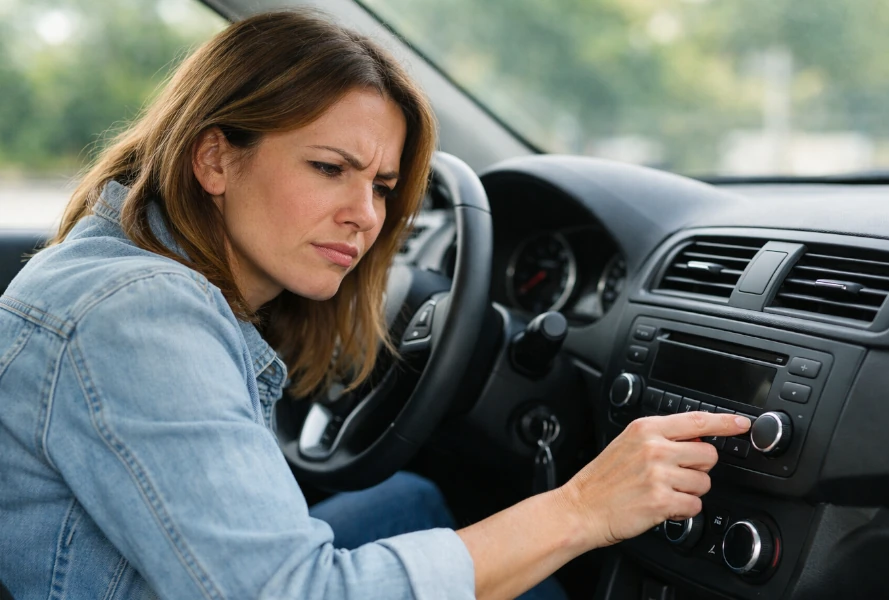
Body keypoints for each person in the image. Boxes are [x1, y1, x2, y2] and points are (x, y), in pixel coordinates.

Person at [0, 10, 750, 600]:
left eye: (385, 187)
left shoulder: (125, 271)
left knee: (414, 497)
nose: (366, 215)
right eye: (331, 169)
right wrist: (585, 507)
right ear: (215, 159)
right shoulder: (141, 316)